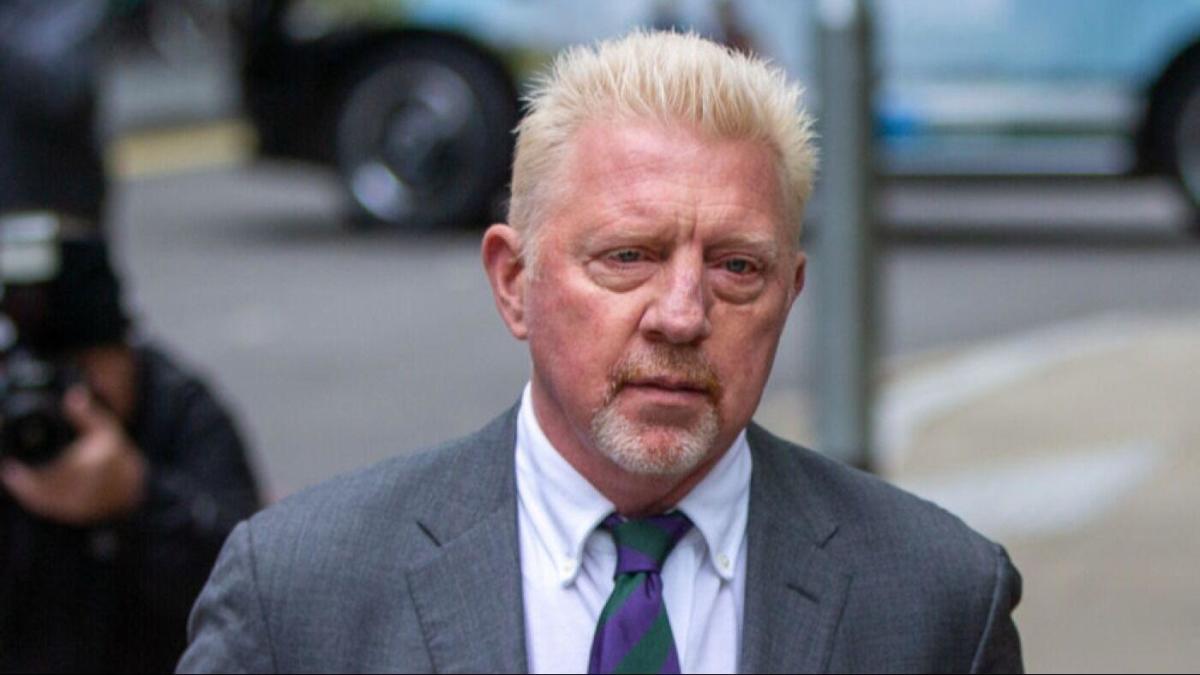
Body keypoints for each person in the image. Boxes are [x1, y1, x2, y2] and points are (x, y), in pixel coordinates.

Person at [179, 31, 1023, 673]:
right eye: (628, 256)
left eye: (737, 267)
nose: (682, 315)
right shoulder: (301, 592)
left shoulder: (937, 598)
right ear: (514, 282)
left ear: (790, 292)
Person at [0, 224, 263, 673]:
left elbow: (251, 595)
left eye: (78, 372)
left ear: (125, 347)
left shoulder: (181, 412)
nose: (65, 403)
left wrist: (138, 497)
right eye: (37, 381)